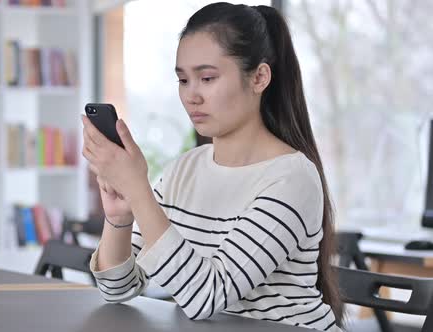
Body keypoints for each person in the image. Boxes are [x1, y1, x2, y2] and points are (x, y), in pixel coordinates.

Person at [81, 2, 341, 331]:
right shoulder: (184, 170)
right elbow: (117, 288)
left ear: (259, 77)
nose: (191, 96)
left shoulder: (292, 178)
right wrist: (119, 219)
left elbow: (206, 296)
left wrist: (138, 189)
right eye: (183, 80)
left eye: (207, 78)